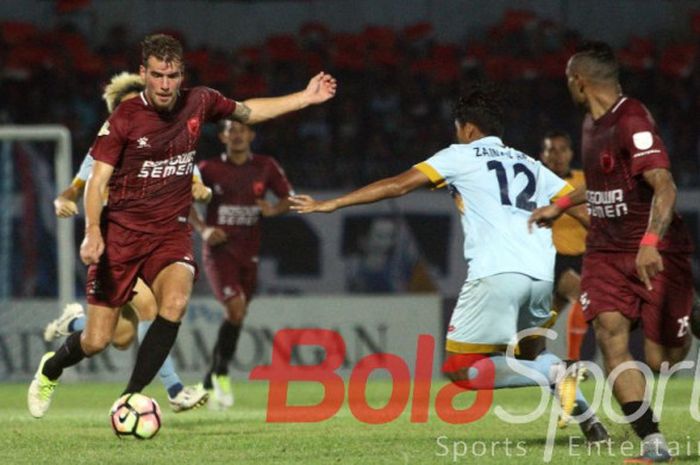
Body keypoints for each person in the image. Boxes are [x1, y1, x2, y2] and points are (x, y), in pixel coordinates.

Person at [28, 33, 336, 418]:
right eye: (157, 75)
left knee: (173, 303)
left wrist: (304, 98)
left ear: (181, 75)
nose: (164, 84)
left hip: (170, 233)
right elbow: (97, 182)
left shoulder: (199, 100)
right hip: (121, 239)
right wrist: (93, 231)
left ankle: (130, 398)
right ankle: (50, 369)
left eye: (172, 76)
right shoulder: (124, 118)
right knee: (101, 339)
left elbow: (248, 111)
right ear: (143, 73)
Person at [291, 82, 608, 442]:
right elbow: (583, 211)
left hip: (496, 273)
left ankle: (557, 372)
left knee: (461, 369)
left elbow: (397, 185)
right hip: (540, 276)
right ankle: (592, 426)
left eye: (457, 130)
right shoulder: (531, 164)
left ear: (468, 128)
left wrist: (332, 204)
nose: (456, 136)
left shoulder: (460, 156)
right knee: (530, 354)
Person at [529, 41, 695, 463]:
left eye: (568, 79)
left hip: (651, 248)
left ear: (579, 81)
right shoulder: (590, 124)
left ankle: (691, 310)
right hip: (603, 250)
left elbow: (665, 186)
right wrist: (561, 205)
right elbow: (601, 183)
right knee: (609, 335)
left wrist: (649, 243)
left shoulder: (632, 119)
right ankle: (653, 443)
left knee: (663, 358)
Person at [45, 71, 210, 412]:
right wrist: (65, 200)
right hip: (112, 247)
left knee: (117, 338)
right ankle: (174, 389)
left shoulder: (168, 141)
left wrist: (203, 190)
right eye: (124, 108)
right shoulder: (102, 151)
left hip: (154, 243)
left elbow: (197, 186)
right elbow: (75, 188)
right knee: (151, 309)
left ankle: (75, 323)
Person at [188, 119, 293, 409]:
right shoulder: (208, 169)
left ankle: (210, 379)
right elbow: (183, 198)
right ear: (222, 136)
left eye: (241, 130)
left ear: (251, 135)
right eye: (230, 131)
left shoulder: (265, 166)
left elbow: (288, 197)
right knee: (234, 309)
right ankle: (220, 374)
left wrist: (273, 209)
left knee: (238, 315)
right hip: (219, 252)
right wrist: (204, 230)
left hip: (250, 253)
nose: (236, 135)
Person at [539, 130, 590, 361]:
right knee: (582, 296)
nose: (557, 155)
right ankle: (572, 360)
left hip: (583, 255)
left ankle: (530, 355)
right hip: (552, 257)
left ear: (571, 153)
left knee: (547, 317)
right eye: (552, 150)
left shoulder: (584, 180)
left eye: (562, 150)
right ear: (543, 155)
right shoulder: (537, 182)